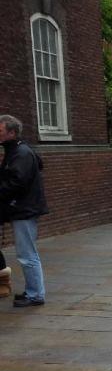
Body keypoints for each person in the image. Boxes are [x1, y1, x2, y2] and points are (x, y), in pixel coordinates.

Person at [0, 114, 47, 307]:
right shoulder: (18, 151)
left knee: (27, 254)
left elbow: (17, 182)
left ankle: (35, 294)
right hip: (23, 208)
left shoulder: (21, 153)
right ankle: (32, 291)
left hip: (24, 209)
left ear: (11, 132)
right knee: (27, 253)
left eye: (0, 131)